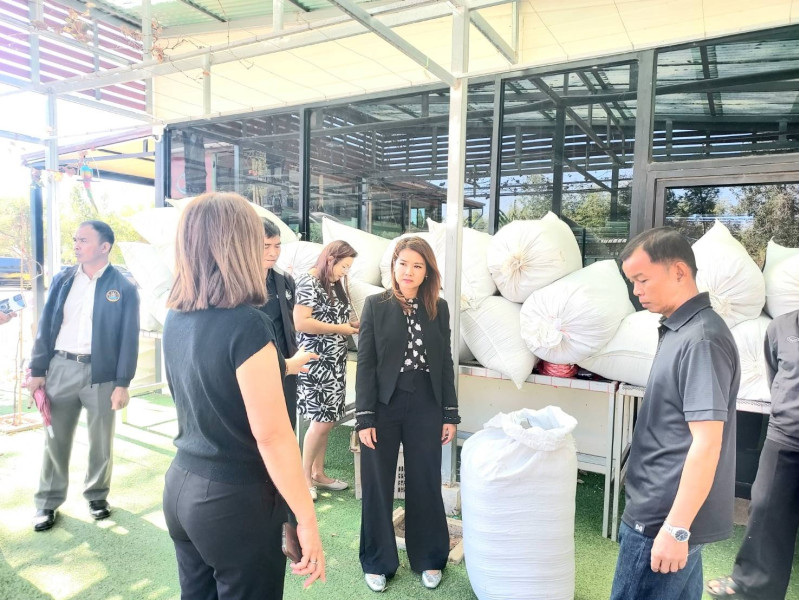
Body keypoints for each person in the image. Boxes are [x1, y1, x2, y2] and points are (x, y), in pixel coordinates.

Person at [161, 192, 324, 599]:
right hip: (235, 501)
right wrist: (305, 518)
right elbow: (273, 436)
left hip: (182, 485)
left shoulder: (176, 316)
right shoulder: (247, 324)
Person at [610, 226, 740, 600]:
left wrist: (676, 528)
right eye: (632, 282)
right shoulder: (681, 329)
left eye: (642, 279)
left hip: (661, 518)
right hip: (665, 512)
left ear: (679, 271)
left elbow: (707, 442)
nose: (636, 291)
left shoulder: (701, 339)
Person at [355, 236, 460, 593]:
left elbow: (444, 362)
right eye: (403, 264)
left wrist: (450, 413)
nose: (408, 272)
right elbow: (366, 364)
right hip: (383, 405)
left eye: (417, 265)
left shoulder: (438, 307)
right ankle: (377, 561)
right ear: (393, 266)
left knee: (425, 480)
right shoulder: (375, 304)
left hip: (426, 404)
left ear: (427, 271)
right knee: (377, 483)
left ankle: (430, 558)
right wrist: (365, 417)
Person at [28, 220, 140, 532]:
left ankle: (97, 496)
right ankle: (47, 502)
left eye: (83, 240)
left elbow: (129, 339)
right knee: (55, 439)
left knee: (101, 441)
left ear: (105, 247)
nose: (76, 245)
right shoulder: (63, 279)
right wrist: (37, 369)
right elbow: (46, 325)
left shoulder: (124, 287)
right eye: (75, 239)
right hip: (61, 367)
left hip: (102, 375)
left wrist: (122, 383)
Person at [705, 308, 799, 600]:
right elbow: (776, 377)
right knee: (766, 509)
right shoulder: (781, 327)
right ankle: (752, 586)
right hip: (785, 435)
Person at [294, 240, 359, 501]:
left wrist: (350, 325)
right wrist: (340, 329)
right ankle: (304, 479)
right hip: (316, 363)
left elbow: (334, 318)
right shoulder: (308, 282)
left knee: (328, 420)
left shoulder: (332, 283)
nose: (345, 271)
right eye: (344, 266)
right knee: (320, 422)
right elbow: (301, 322)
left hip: (335, 362)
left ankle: (318, 473)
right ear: (330, 259)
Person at [258, 219, 299, 429]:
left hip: (285, 366)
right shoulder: (238, 285)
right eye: (266, 246)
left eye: (277, 246)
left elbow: (291, 323)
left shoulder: (284, 280)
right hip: (255, 369)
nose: (273, 252)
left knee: (287, 424)